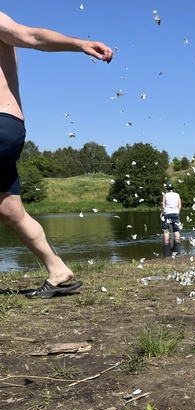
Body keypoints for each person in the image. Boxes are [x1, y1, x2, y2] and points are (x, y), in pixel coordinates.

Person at [0, 11, 113, 298]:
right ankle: (57, 268)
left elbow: (31, 36)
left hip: (1, 123)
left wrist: (79, 44)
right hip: (10, 127)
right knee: (10, 210)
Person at [161, 182, 182, 257]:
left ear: (167, 188)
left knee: (166, 232)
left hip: (167, 214)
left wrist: (163, 212)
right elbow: (179, 206)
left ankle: (166, 253)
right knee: (176, 232)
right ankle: (177, 252)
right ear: (173, 188)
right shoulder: (177, 195)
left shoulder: (165, 195)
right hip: (175, 214)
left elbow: (163, 205)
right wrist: (177, 212)